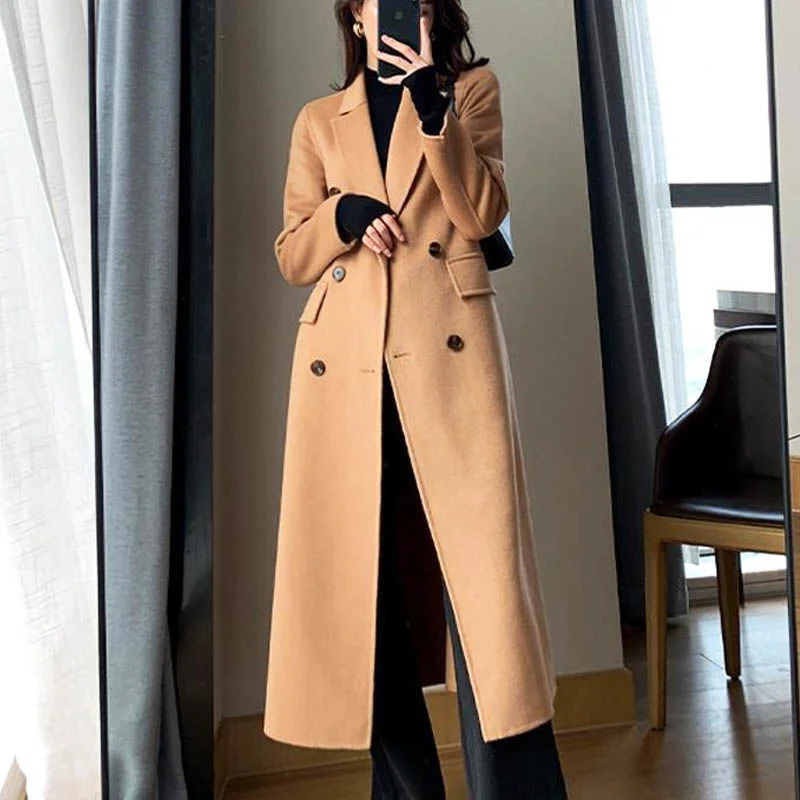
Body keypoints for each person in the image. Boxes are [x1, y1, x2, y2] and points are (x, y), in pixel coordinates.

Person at [265, 1, 569, 797]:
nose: (403, 15)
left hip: (449, 366)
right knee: (362, 592)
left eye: (420, 6)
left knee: (489, 600)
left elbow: (482, 213)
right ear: (357, 18)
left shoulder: (469, 93)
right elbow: (292, 254)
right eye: (386, 3)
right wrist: (341, 215)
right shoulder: (318, 120)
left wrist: (434, 104)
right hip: (346, 375)